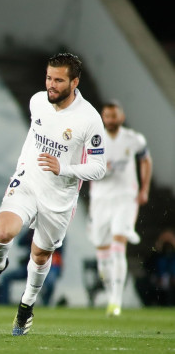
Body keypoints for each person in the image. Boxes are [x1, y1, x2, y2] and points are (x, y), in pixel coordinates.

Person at [0, 52, 106, 336]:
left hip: (59, 197)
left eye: (58, 80)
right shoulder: (37, 101)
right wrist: (24, 168)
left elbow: (98, 168)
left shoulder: (89, 119)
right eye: (48, 78)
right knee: (4, 232)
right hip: (29, 182)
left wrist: (64, 168)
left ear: (75, 82)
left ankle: (25, 308)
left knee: (40, 256)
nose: (51, 85)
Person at [88, 100, 152, 316]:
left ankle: (116, 300)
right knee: (102, 253)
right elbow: (84, 167)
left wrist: (144, 189)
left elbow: (146, 160)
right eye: (107, 116)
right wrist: (99, 169)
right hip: (100, 201)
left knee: (118, 245)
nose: (111, 120)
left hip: (125, 198)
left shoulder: (133, 139)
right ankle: (110, 294)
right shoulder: (94, 139)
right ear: (102, 117)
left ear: (121, 117)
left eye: (114, 116)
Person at [0, 228, 63, 306]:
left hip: (49, 267)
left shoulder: (57, 232)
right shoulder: (33, 231)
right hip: (30, 266)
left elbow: (57, 252)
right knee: (6, 277)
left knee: (50, 282)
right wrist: (29, 233)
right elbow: (20, 243)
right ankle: (4, 303)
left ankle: (46, 304)